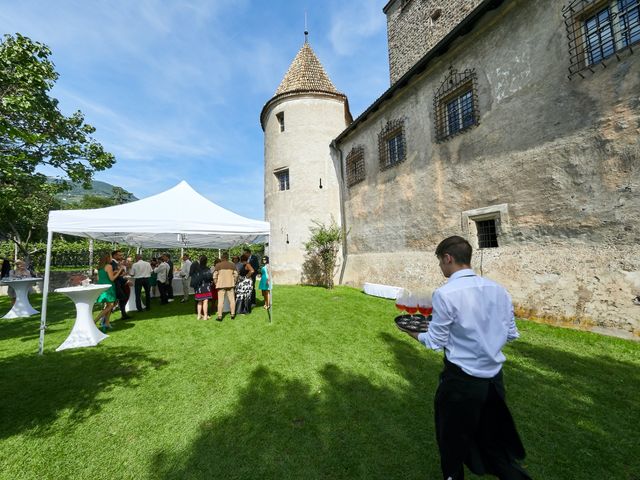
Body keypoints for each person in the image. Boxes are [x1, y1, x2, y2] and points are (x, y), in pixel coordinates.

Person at [399, 236, 530, 480]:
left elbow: (435, 341)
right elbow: (511, 334)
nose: (440, 267)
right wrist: (485, 339)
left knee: (451, 442)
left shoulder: (445, 294)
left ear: (448, 258)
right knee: (494, 445)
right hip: (494, 382)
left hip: (461, 383)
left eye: (440, 261)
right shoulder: (499, 290)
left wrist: (412, 332)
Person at [95, 252, 124, 331]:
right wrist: (119, 271)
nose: (112, 258)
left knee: (109, 305)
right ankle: (94, 321)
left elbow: (98, 278)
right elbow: (112, 279)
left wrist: (113, 273)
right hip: (109, 288)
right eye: (111, 257)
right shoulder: (109, 266)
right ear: (108, 258)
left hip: (102, 287)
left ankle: (107, 323)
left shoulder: (99, 267)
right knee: (110, 306)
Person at [213, 252, 238, 321]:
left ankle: (220, 316)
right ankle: (232, 314)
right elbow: (236, 275)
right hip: (230, 284)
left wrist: (216, 283)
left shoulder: (218, 265)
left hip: (221, 285)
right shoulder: (232, 265)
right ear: (227, 258)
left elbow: (214, 276)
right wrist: (234, 282)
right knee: (232, 300)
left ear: (222, 258)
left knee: (220, 301)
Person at [190, 255, 213, 320]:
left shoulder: (197, 269)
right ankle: (205, 316)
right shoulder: (207, 269)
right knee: (205, 301)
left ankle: (199, 316)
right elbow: (210, 277)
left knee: (199, 301)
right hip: (206, 286)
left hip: (198, 287)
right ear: (206, 261)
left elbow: (193, 276)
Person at [111, 250, 132, 319]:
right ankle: (105, 317)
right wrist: (125, 280)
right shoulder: (112, 263)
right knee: (116, 301)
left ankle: (123, 314)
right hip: (115, 285)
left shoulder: (116, 263)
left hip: (119, 284)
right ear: (114, 255)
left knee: (121, 299)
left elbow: (118, 275)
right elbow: (114, 275)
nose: (121, 256)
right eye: (119, 255)